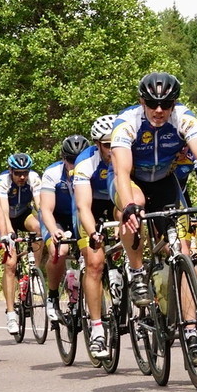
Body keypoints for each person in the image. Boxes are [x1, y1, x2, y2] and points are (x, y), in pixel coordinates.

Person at [107, 71, 197, 361]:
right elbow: (122, 171)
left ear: (174, 103)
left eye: (166, 104)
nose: (159, 110)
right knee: (135, 205)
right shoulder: (126, 122)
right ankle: (136, 271)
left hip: (165, 182)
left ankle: (190, 329)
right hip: (131, 182)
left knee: (182, 251)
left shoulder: (184, 119)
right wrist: (129, 206)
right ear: (142, 101)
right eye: (152, 103)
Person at [71, 115, 125, 357]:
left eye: (115, 143)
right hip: (90, 209)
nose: (111, 149)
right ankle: (97, 330)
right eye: (106, 145)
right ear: (96, 144)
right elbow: (83, 206)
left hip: (115, 204)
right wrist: (93, 232)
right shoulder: (86, 162)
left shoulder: (126, 154)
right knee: (94, 263)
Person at [0, 152, 41, 334]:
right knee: (10, 264)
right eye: (18, 173)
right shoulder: (2, 182)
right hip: (6, 218)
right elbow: (2, 212)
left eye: (25, 173)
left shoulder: (34, 179)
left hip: (23, 214)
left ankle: (35, 272)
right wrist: (9, 234)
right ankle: (10, 314)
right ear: (10, 171)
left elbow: (40, 206)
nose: (22, 177)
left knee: (38, 228)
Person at [35, 135, 87, 323]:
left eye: (79, 159)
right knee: (60, 249)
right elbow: (46, 209)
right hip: (56, 217)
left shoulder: (91, 169)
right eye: (70, 160)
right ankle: (52, 296)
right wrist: (53, 230)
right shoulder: (53, 173)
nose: (74, 164)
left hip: (80, 214)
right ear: (63, 158)